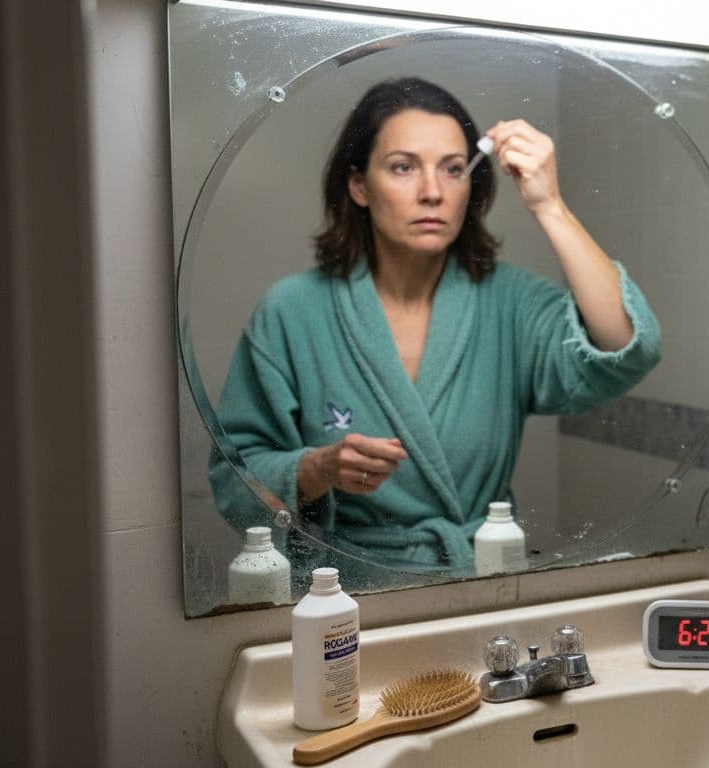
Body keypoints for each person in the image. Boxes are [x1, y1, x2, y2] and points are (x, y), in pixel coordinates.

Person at [210, 76, 661, 574]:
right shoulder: (293, 310)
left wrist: (548, 205)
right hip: (343, 591)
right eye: (403, 167)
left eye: (452, 169)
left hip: (481, 580)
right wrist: (316, 469)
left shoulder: (509, 301)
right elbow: (234, 479)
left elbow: (626, 348)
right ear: (359, 186)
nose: (432, 193)